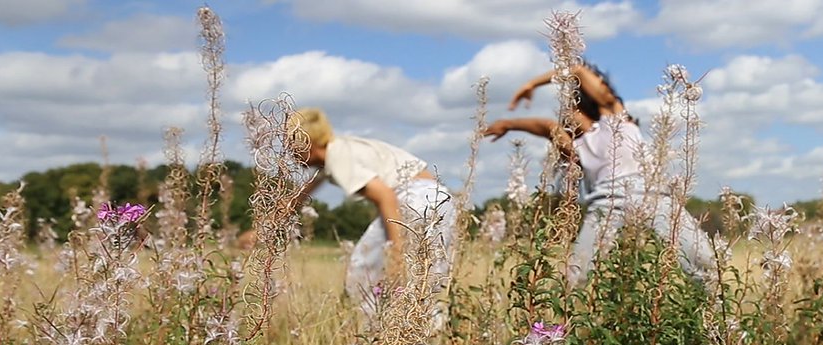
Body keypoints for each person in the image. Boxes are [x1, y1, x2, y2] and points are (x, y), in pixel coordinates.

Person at [484, 64, 716, 287]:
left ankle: (715, 320)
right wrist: (507, 124)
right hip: (606, 203)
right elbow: (546, 126)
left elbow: (578, 71)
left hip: (652, 195)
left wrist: (532, 84)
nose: (566, 113)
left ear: (584, 103)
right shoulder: (577, 145)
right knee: (577, 275)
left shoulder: (614, 117)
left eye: (570, 106)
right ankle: (560, 327)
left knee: (703, 262)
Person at [286, 107, 456, 327]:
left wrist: (396, 251)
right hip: (440, 198)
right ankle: (427, 343)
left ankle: (375, 342)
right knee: (425, 280)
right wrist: (266, 225)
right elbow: (305, 191)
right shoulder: (340, 150)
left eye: (291, 146)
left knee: (363, 273)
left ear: (306, 144)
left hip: (414, 199)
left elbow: (384, 195)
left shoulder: (338, 159)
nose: (289, 154)